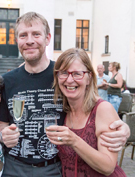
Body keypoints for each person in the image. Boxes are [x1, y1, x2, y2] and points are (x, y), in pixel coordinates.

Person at [0, 12, 130, 177]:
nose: (29, 40)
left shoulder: (64, 74)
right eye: (23, 35)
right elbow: (1, 124)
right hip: (14, 167)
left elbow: (92, 104)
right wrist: (2, 134)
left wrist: (123, 127)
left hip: (54, 168)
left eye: (36, 34)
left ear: (48, 38)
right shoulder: (7, 81)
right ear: (17, 41)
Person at [47, 48, 126, 176]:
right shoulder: (62, 111)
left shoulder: (102, 109)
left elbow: (108, 166)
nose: (69, 79)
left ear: (89, 78)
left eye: (77, 74)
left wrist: (74, 140)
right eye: (63, 73)